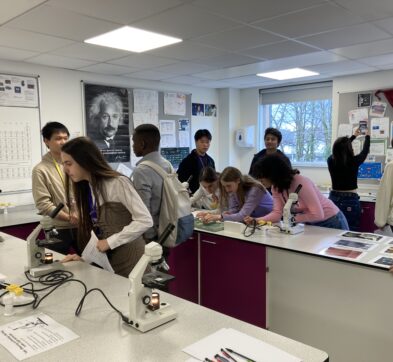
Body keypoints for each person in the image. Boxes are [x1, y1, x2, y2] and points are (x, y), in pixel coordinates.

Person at [60, 137, 153, 277]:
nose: (65, 169)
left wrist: (111, 242)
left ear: (84, 160)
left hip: (132, 259)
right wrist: (84, 260)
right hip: (109, 262)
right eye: (63, 164)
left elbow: (145, 220)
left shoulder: (117, 183)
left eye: (69, 163)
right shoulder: (86, 188)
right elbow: (99, 236)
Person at [245, 154, 349, 230]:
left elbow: (318, 214)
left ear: (272, 173)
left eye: (262, 177)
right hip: (311, 223)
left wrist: (291, 219)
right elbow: (277, 213)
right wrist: (256, 220)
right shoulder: (276, 187)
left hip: (332, 221)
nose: (259, 181)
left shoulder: (301, 183)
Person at [32, 122, 78, 254]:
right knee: (56, 267)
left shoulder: (77, 164)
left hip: (81, 225)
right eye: (58, 139)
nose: (63, 142)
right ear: (46, 141)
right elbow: (43, 204)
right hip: (59, 228)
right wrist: (69, 218)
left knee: (94, 265)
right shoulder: (40, 170)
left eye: (65, 138)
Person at [131, 124, 172, 242]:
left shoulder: (141, 170)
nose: (133, 146)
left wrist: (147, 237)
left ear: (142, 144)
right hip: (167, 228)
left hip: (151, 233)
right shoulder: (167, 164)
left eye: (134, 142)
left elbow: (143, 207)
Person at [327, 128, 370, 231]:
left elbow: (340, 148)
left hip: (333, 198)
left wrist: (353, 137)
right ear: (349, 149)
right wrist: (367, 137)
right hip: (350, 199)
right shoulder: (354, 161)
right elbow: (365, 151)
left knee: (334, 230)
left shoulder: (330, 160)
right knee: (351, 231)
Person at [199, 167, 273, 223]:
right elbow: (234, 210)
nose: (227, 190)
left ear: (238, 181)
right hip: (252, 221)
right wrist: (227, 214)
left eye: (228, 186)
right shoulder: (233, 189)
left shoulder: (255, 189)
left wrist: (220, 216)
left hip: (270, 222)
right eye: (224, 186)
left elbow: (242, 216)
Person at [87, 91, 130, 163]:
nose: (110, 123)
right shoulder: (92, 145)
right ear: (97, 118)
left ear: (120, 118)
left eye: (115, 116)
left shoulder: (125, 143)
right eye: (105, 116)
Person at [177, 129, 215, 194]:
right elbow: (179, 180)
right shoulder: (187, 161)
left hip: (208, 195)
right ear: (196, 142)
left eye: (207, 142)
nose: (205, 145)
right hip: (193, 196)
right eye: (202, 142)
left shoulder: (211, 161)